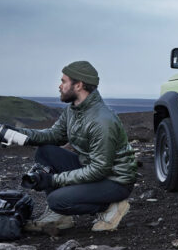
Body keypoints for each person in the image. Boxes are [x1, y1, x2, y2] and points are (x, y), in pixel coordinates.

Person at [16, 61, 138, 232]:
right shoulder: (73, 110)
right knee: (46, 151)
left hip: (115, 181)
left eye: (64, 81)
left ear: (79, 85)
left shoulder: (101, 121)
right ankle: (60, 218)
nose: (59, 86)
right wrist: (16, 134)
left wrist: (53, 180)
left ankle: (110, 206)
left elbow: (99, 169)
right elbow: (54, 135)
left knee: (57, 201)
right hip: (92, 168)